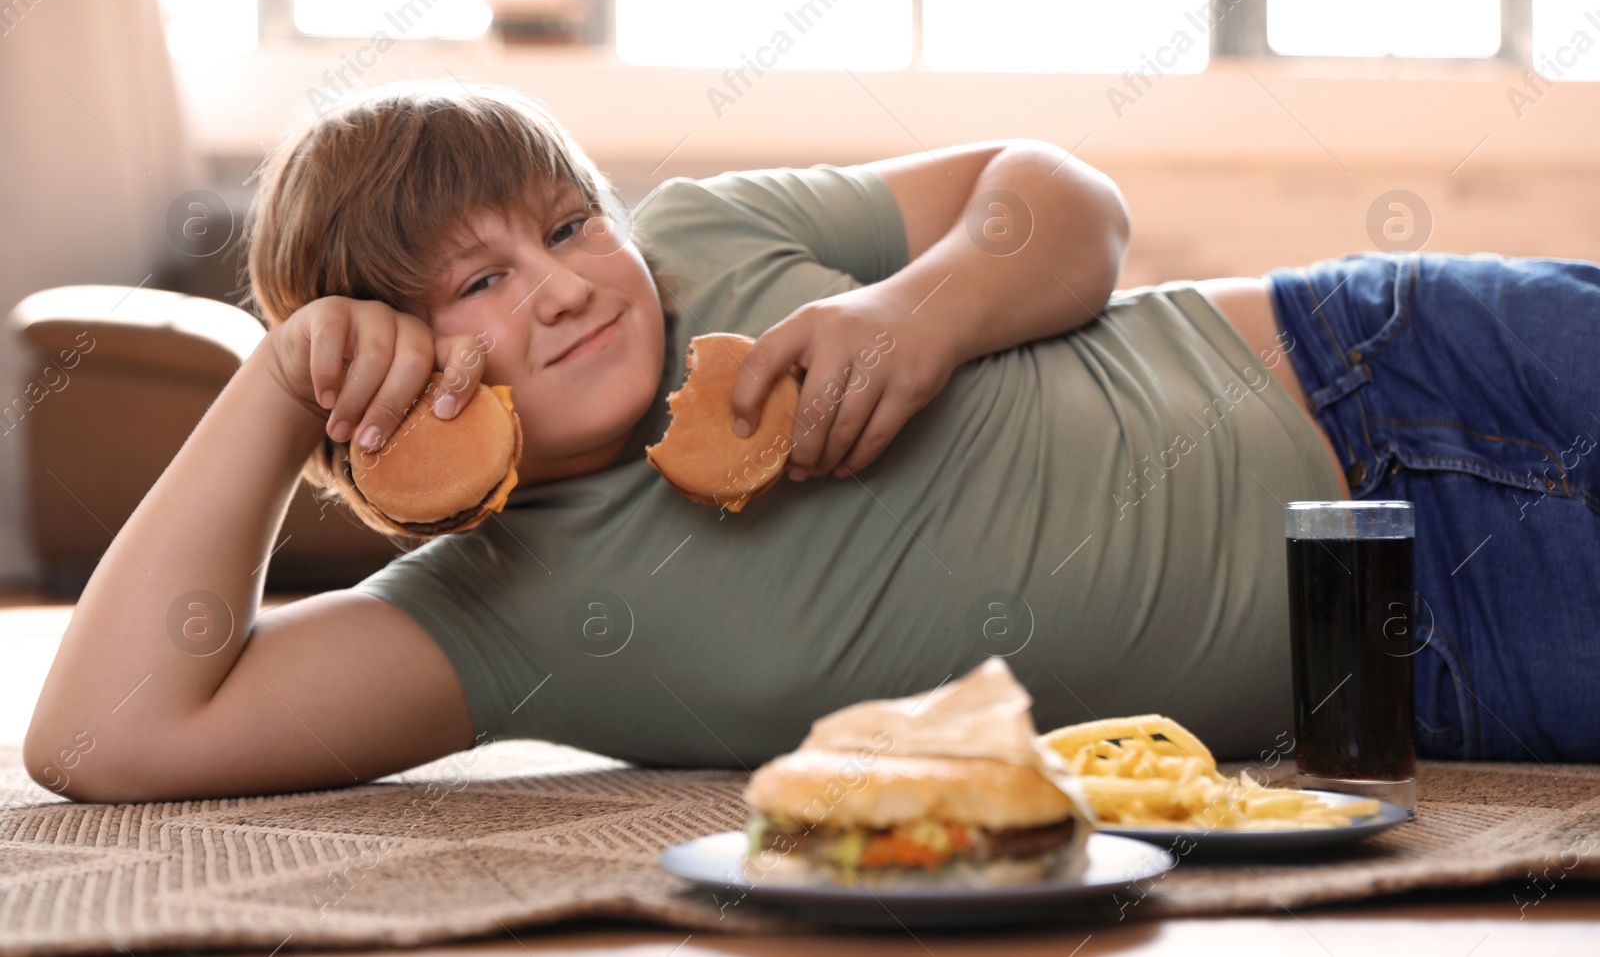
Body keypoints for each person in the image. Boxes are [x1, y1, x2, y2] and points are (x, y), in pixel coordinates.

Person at [24, 81, 1597, 804]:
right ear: (386, 381)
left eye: (570, 223)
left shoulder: (714, 237)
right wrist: (274, 387)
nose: (568, 281)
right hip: (1426, 643)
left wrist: (926, 310)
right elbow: (102, 742)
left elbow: (1058, 195)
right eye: (482, 282)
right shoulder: (490, 622)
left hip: (1379, 349)